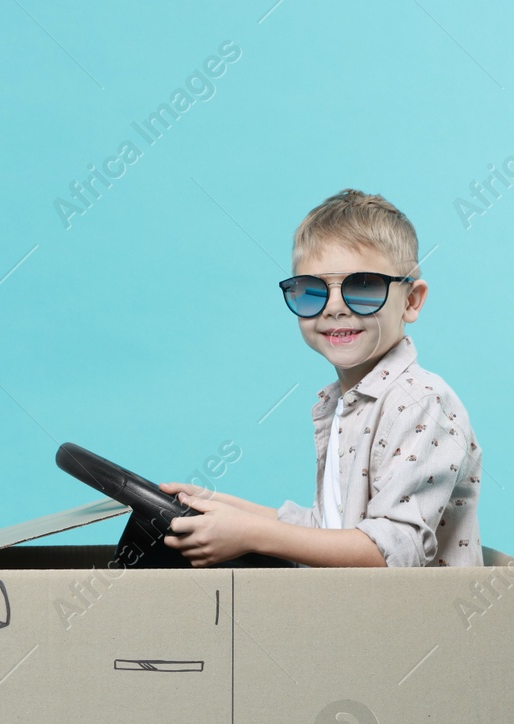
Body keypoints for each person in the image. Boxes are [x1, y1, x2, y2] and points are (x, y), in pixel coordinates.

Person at [161, 188, 482, 567]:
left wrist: (250, 534)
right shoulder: (348, 403)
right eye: (312, 291)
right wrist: (214, 506)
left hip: (420, 624)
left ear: (411, 301)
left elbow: (394, 550)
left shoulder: (421, 403)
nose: (333, 308)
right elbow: (331, 531)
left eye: (362, 288)